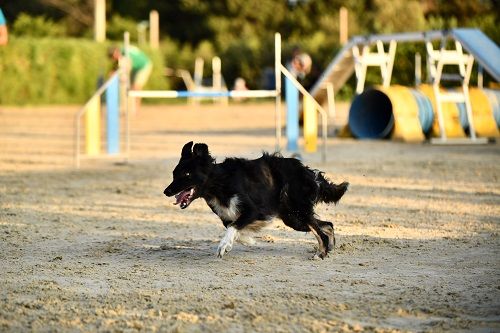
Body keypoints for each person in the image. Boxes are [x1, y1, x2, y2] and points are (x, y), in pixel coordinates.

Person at [109, 45, 152, 113]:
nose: (113, 59)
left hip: (144, 65)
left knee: (136, 86)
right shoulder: (122, 51)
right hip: (135, 67)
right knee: (130, 87)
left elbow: (126, 69)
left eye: (113, 57)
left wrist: (120, 75)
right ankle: (130, 107)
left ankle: (137, 108)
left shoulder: (125, 55)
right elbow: (117, 67)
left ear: (116, 52)